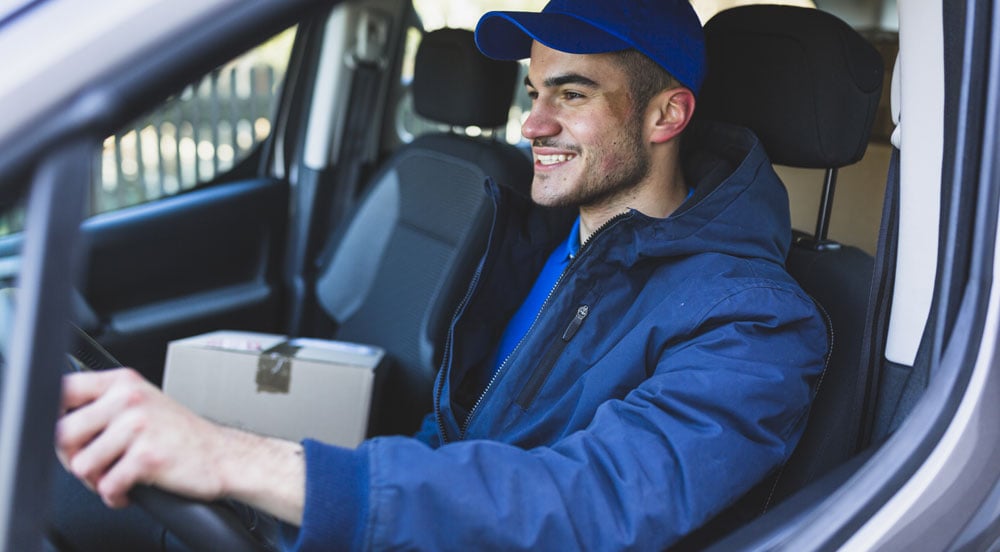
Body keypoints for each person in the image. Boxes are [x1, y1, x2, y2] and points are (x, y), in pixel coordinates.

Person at [56, 0, 829, 549]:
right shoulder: (545, 238)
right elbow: (457, 430)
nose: (532, 123)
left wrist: (234, 457)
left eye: (572, 93)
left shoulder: (755, 324)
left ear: (666, 117)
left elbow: (592, 503)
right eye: (534, 92)